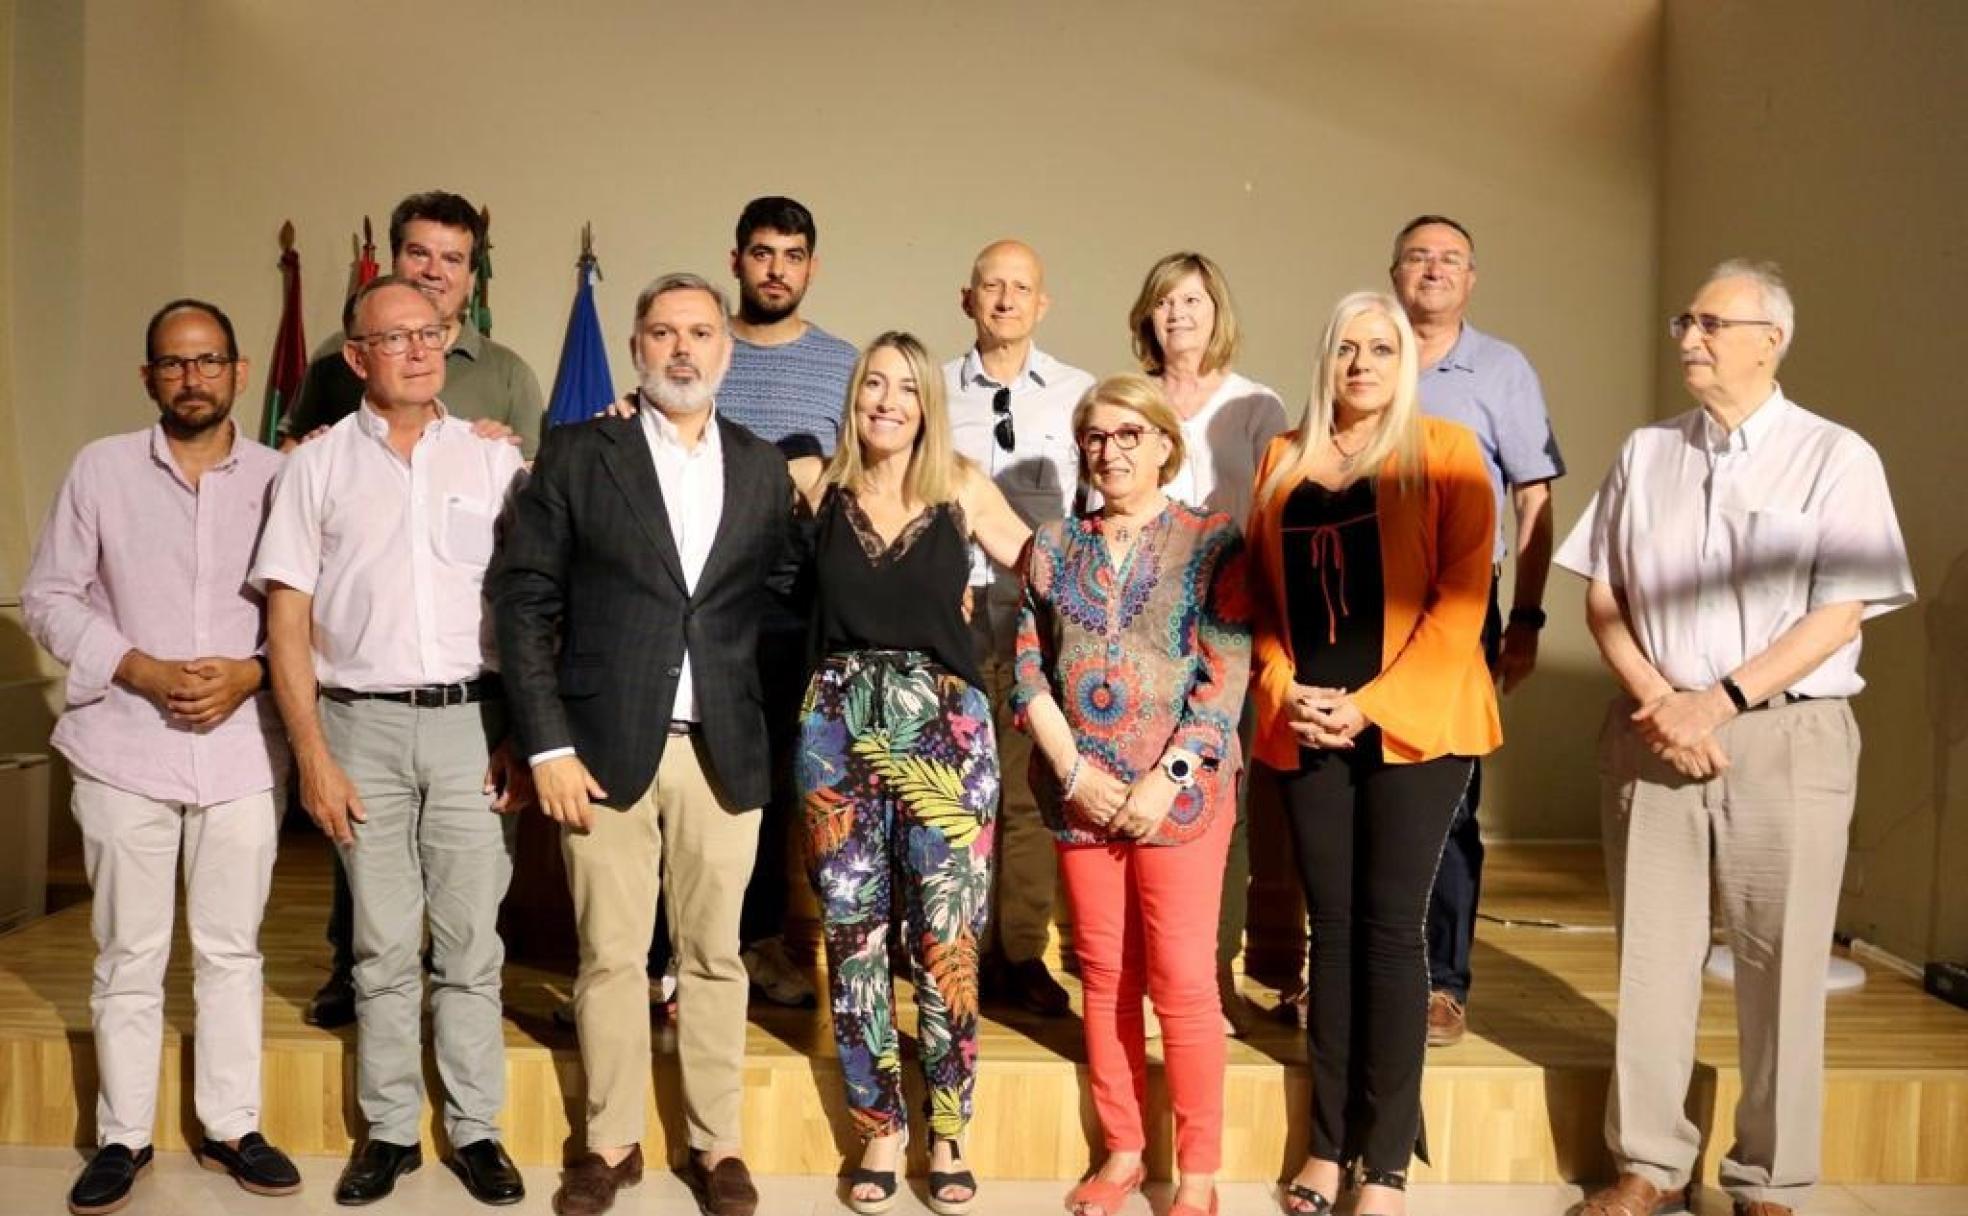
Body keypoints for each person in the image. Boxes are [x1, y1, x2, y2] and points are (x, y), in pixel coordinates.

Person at [1558, 261, 1914, 1216]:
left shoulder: (1837, 457)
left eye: (1712, 323)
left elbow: (1841, 614)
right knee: (1650, 956)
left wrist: (1713, 702)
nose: (1689, 338)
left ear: (1772, 339)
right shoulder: (1645, 452)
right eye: (1686, 320)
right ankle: (1647, 1164)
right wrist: (1661, 701)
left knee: (1783, 963)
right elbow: (1602, 596)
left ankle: (1771, 1179)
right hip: (1652, 731)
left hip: (1785, 737)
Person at [490, 273, 796, 1216]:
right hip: (600, 750)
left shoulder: (762, 467)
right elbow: (524, 599)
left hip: (724, 751)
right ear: (634, 348)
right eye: (663, 333)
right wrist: (544, 746)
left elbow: (785, 600)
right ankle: (610, 1142)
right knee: (611, 954)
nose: (682, 350)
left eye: (700, 333)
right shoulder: (583, 454)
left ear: (726, 351)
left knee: (715, 955)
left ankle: (717, 1145)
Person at [23, 299, 302, 1215]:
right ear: (149, 377)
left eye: (209, 360)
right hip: (123, 749)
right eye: (174, 363)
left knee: (230, 949)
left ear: (239, 370)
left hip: (240, 754)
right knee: (129, 951)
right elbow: (51, 599)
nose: (193, 377)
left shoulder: (281, 478)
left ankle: (232, 1125)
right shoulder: (99, 470)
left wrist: (254, 674)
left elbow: (318, 612)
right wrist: (135, 665)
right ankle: (122, 1136)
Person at [255, 276, 530, 1208]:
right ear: (356, 356)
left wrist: (520, 735)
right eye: (395, 337)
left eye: (431, 333)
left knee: (470, 944)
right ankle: (386, 1130)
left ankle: (477, 1129)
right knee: (380, 946)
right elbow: (285, 623)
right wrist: (311, 756)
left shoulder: (495, 462)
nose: (419, 349)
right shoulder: (316, 467)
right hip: (357, 727)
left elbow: (530, 612)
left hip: (473, 726)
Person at [1250, 292, 1499, 1216]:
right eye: (1346, 346)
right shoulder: (1282, 460)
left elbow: (1462, 603)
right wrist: (1286, 692)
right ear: (1326, 359)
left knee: (1393, 936)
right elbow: (1262, 605)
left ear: (1408, 362)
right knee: (1332, 933)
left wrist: (1370, 707)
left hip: (1417, 728)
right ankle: (1327, 1145)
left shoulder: (1446, 454)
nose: (1362, 362)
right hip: (1308, 721)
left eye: (1381, 347)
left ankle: (1385, 1166)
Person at [286, 189, 544, 1033]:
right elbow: (305, 470)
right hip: (364, 675)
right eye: (420, 254)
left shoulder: (504, 375)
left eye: (453, 259)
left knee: (469, 923)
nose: (434, 274)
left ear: (471, 278)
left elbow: (531, 536)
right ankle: (352, 986)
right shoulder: (335, 358)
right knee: (370, 900)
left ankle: (469, 1092)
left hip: (465, 691)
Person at [790, 331, 1028, 1215]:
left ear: (928, 401)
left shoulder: (961, 484)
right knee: (853, 941)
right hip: (835, 730)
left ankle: (950, 1127)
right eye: (872, 385)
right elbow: (705, 471)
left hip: (948, 733)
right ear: (853, 397)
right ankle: (879, 1128)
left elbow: (1048, 569)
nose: (887, 401)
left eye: (905, 388)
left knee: (946, 939)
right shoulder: (814, 485)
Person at [1013, 374, 1251, 1216]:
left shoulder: (1213, 542)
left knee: (1184, 981)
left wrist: (1164, 778)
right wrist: (1077, 774)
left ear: (1163, 444)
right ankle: (1121, 1151)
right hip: (1081, 797)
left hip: (1179, 801)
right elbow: (1027, 671)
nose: (1109, 452)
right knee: (1105, 975)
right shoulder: (1049, 545)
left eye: (1127, 435)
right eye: (1095, 438)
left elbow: (1224, 684)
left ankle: (1198, 1174)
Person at [1389, 214, 1566, 1047]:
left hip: (1461, 603)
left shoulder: (1502, 370)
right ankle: (1363, 970)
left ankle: (1442, 982)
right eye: (1418, 256)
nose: (1432, 269)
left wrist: (1525, 617)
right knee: (1360, 789)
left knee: (1450, 797)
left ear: (1471, 279)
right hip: (1360, 604)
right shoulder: (1368, 350)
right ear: (1394, 272)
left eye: (1449, 258)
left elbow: (1534, 498)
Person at [1124, 250, 1286, 1035]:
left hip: (1226, 626)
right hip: (1138, 635)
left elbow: (1274, 519)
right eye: (1166, 303)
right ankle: (1142, 975)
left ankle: (1210, 972)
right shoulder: (1128, 401)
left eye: (1193, 301)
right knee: (1139, 792)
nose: (1180, 315)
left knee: (1219, 803)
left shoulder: (1256, 407)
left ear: (1217, 311)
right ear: (1148, 318)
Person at [943, 238, 1095, 1016]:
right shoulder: (932, 392)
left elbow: (1097, 509)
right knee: (959, 797)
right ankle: (955, 950)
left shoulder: (1079, 394)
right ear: (966, 299)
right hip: (953, 626)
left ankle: (1020, 953)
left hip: (1043, 626)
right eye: (991, 286)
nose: (1005, 299)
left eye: (1021, 288)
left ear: (1043, 304)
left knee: (1030, 797)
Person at [721, 194, 858, 1009]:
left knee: (775, 778)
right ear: (737, 258)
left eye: (794, 255)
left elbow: (854, 474)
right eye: (763, 252)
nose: (778, 269)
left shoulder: (841, 363)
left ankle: (764, 944)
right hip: (703, 597)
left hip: (793, 601)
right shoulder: (702, 344)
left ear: (811, 265)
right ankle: (676, 955)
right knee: (696, 774)